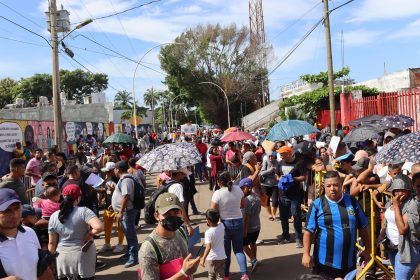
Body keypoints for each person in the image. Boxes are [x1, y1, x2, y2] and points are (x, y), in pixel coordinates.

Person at [302, 171, 371, 279]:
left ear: (341, 184)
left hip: (348, 263)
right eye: (328, 186)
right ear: (324, 186)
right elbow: (308, 231)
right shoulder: (317, 205)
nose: (332, 189)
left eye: (335, 185)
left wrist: (368, 249)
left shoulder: (352, 202)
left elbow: (362, 227)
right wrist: (306, 254)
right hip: (324, 263)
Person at [138, 193, 200, 279]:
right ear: (157, 216)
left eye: (176, 212)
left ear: (181, 212)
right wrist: (183, 273)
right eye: (166, 214)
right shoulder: (148, 249)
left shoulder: (181, 231)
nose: (172, 217)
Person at [48, 184, 103, 280]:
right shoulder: (84, 211)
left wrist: (50, 262)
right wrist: (89, 234)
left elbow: (51, 243)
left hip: (62, 258)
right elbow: (99, 227)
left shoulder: (53, 216)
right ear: (78, 198)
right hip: (83, 257)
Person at [0, 188, 54, 280]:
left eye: (17, 208)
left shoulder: (30, 233)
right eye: (7, 211)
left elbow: (41, 269)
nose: (15, 215)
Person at [211, 171, 249, 280]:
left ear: (219, 181)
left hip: (224, 225)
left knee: (225, 252)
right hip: (238, 222)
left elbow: (212, 211)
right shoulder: (238, 189)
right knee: (238, 250)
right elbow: (242, 205)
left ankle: (226, 276)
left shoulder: (217, 193)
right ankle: (244, 274)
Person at [389, 174, 420, 279]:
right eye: (396, 190)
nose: (399, 193)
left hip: (408, 249)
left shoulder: (412, 204)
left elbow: (402, 229)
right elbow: (387, 219)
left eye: (403, 190)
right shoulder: (392, 202)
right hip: (392, 248)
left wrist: (396, 206)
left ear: (409, 189)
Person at [111, 160, 139, 267]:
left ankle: (133, 257)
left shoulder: (126, 180)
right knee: (127, 233)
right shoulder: (123, 179)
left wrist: (121, 212)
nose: (114, 170)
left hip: (127, 211)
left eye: (115, 169)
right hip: (125, 211)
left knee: (130, 233)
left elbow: (126, 196)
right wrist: (113, 205)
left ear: (118, 169)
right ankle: (129, 253)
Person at [277, 145, 306, 248]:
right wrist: (280, 179)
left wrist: (292, 179)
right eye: (280, 154)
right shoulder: (280, 163)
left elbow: (303, 177)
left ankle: (299, 238)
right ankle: (286, 236)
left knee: (296, 216)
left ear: (288, 153)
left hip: (295, 195)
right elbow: (277, 175)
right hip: (282, 194)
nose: (280, 156)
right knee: (283, 217)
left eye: (282, 154)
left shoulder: (299, 163)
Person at [98, 162, 125, 254]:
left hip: (117, 208)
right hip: (107, 206)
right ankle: (107, 244)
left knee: (119, 227)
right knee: (107, 227)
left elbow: (124, 195)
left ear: (114, 170)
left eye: (108, 171)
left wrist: (114, 191)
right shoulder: (107, 179)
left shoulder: (120, 180)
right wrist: (100, 197)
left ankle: (120, 244)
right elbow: (105, 190)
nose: (106, 173)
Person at [239, 178, 261, 273]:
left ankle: (253, 260)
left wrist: (244, 230)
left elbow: (246, 217)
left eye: (242, 188)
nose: (241, 190)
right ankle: (254, 259)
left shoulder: (246, 200)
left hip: (249, 227)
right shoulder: (257, 196)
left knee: (243, 245)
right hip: (257, 225)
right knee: (253, 243)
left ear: (248, 188)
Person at [200, 209, 226, 280]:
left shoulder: (208, 232)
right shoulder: (221, 226)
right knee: (221, 276)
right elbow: (220, 221)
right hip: (222, 256)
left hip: (212, 258)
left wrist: (203, 259)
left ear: (208, 220)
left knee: (212, 276)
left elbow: (208, 247)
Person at [260, 151, 281, 221]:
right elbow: (262, 173)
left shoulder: (277, 163)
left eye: (272, 156)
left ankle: (274, 214)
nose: (270, 157)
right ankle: (270, 214)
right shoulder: (265, 162)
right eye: (269, 156)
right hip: (265, 184)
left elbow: (279, 173)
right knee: (267, 200)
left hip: (275, 184)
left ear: (274, 156)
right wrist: (270, 170)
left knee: (275, 201)